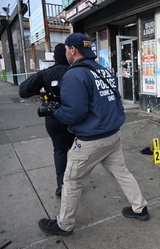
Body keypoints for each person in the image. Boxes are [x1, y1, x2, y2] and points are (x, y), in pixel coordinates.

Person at [38, 33, 149, 236]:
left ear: (73, 50)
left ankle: (64, 225)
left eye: (65, 50)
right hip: (113, 135)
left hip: (91, 140)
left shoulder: (74, 74)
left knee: (71, 181)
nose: (65, 53)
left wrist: (53, 112)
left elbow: (74, 113)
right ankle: (140, 208)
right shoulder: (103, 70)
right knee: (122, 172)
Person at [19, 43, 75, 196]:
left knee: (59, 150)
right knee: (72, 149)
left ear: (55, 57)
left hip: (53, 116)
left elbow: (23, 90)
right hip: (73, 116)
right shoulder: (76, 72)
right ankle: (72, 180)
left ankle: (61, 184)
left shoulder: (46, 74)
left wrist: (41, 93)